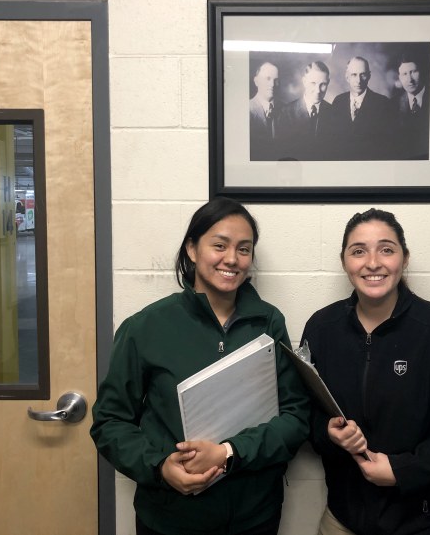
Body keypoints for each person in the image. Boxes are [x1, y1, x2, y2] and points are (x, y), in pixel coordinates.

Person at [90, 197, 310, 535]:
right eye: (219, 245)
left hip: (254, 516)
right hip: (170, 518)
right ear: (192, 249)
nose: (232, 259)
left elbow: (295, 418)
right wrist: (160, 467)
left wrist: (228, 452)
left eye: (244, 249)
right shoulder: (145, 327)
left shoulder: (268, 322)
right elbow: (110, 422)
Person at [301, 208, 430, 535]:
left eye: (386, 249)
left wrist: (402, 470)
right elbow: (303, 413)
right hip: (342, 521)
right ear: (344, 261)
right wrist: (327, 433)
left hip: (425, 523)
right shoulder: (321, 328)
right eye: (358, 250)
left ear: (405, 259)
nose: (372, 262)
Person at [327, 56, 392, 160]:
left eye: (363, 75)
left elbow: (387, 145)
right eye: (354, 75)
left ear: (369, 76)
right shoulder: (338, 101)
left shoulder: (383, 103)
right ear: (347, 77)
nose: (358, 80)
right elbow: (333, 140)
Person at [275, 61, 333, 161]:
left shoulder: (334, 112)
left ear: (328, 82)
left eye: (323, 84)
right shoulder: (286, 113)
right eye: (313, 83)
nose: (318, 90)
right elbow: (282, 153)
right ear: (304, 81)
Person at [392, 56, 430, 160]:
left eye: (413, 72)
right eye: (404, 74)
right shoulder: (392, 105)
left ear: (422, 72)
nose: (410, 80)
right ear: (399, 77)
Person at [249, 61, 279, 160]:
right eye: (268, 79)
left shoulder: (287, 110)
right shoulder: (246, 109)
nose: (272, 84)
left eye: (276, 80)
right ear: (256, 81)